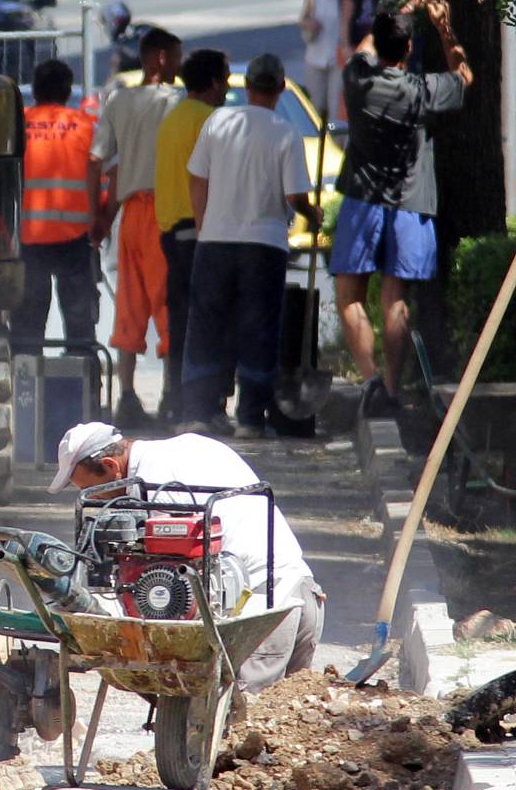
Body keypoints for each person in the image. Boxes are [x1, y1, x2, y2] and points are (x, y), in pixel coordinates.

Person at [48, 420, 324, 691]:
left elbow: (168, 587)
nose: (96, 500)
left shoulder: (158, 486)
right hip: (300, 589)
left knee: (243, 725)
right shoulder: (184, 447)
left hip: (260, 610)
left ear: (111, 466)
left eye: (93, 490)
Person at [331, 0, 472, 412]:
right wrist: (444, 26)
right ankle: (393, 389)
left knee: (349, 296)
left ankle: (371, 380)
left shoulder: (360, 81)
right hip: (410, 204)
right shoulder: (421, 90)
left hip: (362, 199)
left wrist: (406, 9)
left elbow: (362, 50)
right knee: (395, 299)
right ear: (409, 50)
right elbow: (463, 75)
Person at [182, 53, 319, 438]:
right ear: (279, 87)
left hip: (215, 241)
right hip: (264, 244)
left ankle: (200, 409)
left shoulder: (219, 121)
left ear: (246, 87)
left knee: (208, 324)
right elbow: (295, 196)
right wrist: (314, 214)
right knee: (258, 327)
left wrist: (202, 222)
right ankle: (248, 417)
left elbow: (196, 178)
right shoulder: (284, 131)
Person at [89, 27, 181, 427]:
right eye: (176, 56)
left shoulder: (118, 101)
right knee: (169, 305)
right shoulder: (177, 102)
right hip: (167, 212)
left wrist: (100, 216)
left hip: (129, 214)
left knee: (129, 305)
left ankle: (126, 396)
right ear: (160, 58)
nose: (180, 64)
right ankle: (171, 396)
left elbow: (99, 160)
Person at [152, 48, 229, 421]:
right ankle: (205, 405)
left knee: (180, 318)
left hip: (170, 231)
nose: (228, 85)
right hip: (200, 229)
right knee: (209, 319)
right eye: (226, 78)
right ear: (213, 82)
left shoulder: (174, 117)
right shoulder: (211, 120)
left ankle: (179, 402)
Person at [15, 59, 98, 359]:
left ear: (35, 92)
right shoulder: (84, 126)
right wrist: (98, 223)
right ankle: (83, 391)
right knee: (79, 325)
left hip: (26, 240)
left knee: (26, 326)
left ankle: (24, 393)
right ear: (67, 92)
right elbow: (99, 180)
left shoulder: (17, 125)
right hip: (74, 240)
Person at [298, 0, 356, 127]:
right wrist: (311, 24)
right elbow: (302, 19)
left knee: (334, 105)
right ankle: (319, 136)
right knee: (317, 104)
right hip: (315, 57)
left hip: (336, 58)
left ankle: (333, 138)